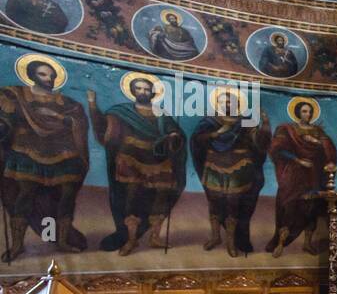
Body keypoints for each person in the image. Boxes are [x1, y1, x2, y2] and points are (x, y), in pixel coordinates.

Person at [0, 56, 89, 259]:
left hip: (64, 155)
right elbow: (6, 120)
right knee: (25, 197)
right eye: (43, 74)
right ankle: (17, 245)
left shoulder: (67, 102)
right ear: (31, 75)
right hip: (27, 153)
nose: (48, 79)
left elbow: (77, 122)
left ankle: (63, 241)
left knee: (67, 198)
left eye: (51, 76)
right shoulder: (16, 96)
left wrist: (60, 117)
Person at [89, 75, 185, 256]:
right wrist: (93, 106)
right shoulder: (121, 112)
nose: (142, 92)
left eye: (146, 89)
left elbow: (174, 130)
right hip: (130, 159)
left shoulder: (160, 113)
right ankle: (131, 239)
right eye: (139, 88)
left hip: (158, 160)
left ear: (152, 92)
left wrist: (173, 136)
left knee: (161, 199)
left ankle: (155, 236)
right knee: (131, 199)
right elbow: (105, 130)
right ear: (132, 91)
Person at [190, 99, 271, 257]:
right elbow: (197, 140)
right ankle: (215, 237)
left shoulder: (245, 121)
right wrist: (217, 133)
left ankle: (231, 242)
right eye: (224, 102)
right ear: (217, 104)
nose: (228, 105)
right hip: (214, 165)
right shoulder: (210, 120)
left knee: (233, 204)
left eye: (231, 102)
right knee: (214, 202)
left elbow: (260, 142)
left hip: (239, 166)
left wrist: (265, 124)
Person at [267, 99, 336, 257]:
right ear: (298, 112)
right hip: (294, 175)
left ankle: (307, 243)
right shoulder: (288, 129)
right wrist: (297, 160)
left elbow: (329, 150)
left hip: (314, 174)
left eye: (310, 111)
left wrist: (318, 142)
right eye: (305, 111)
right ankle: (281, 243)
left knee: (311, 208)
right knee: (289, 206)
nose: (308, 114)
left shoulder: (318, 132)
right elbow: (277, 150)